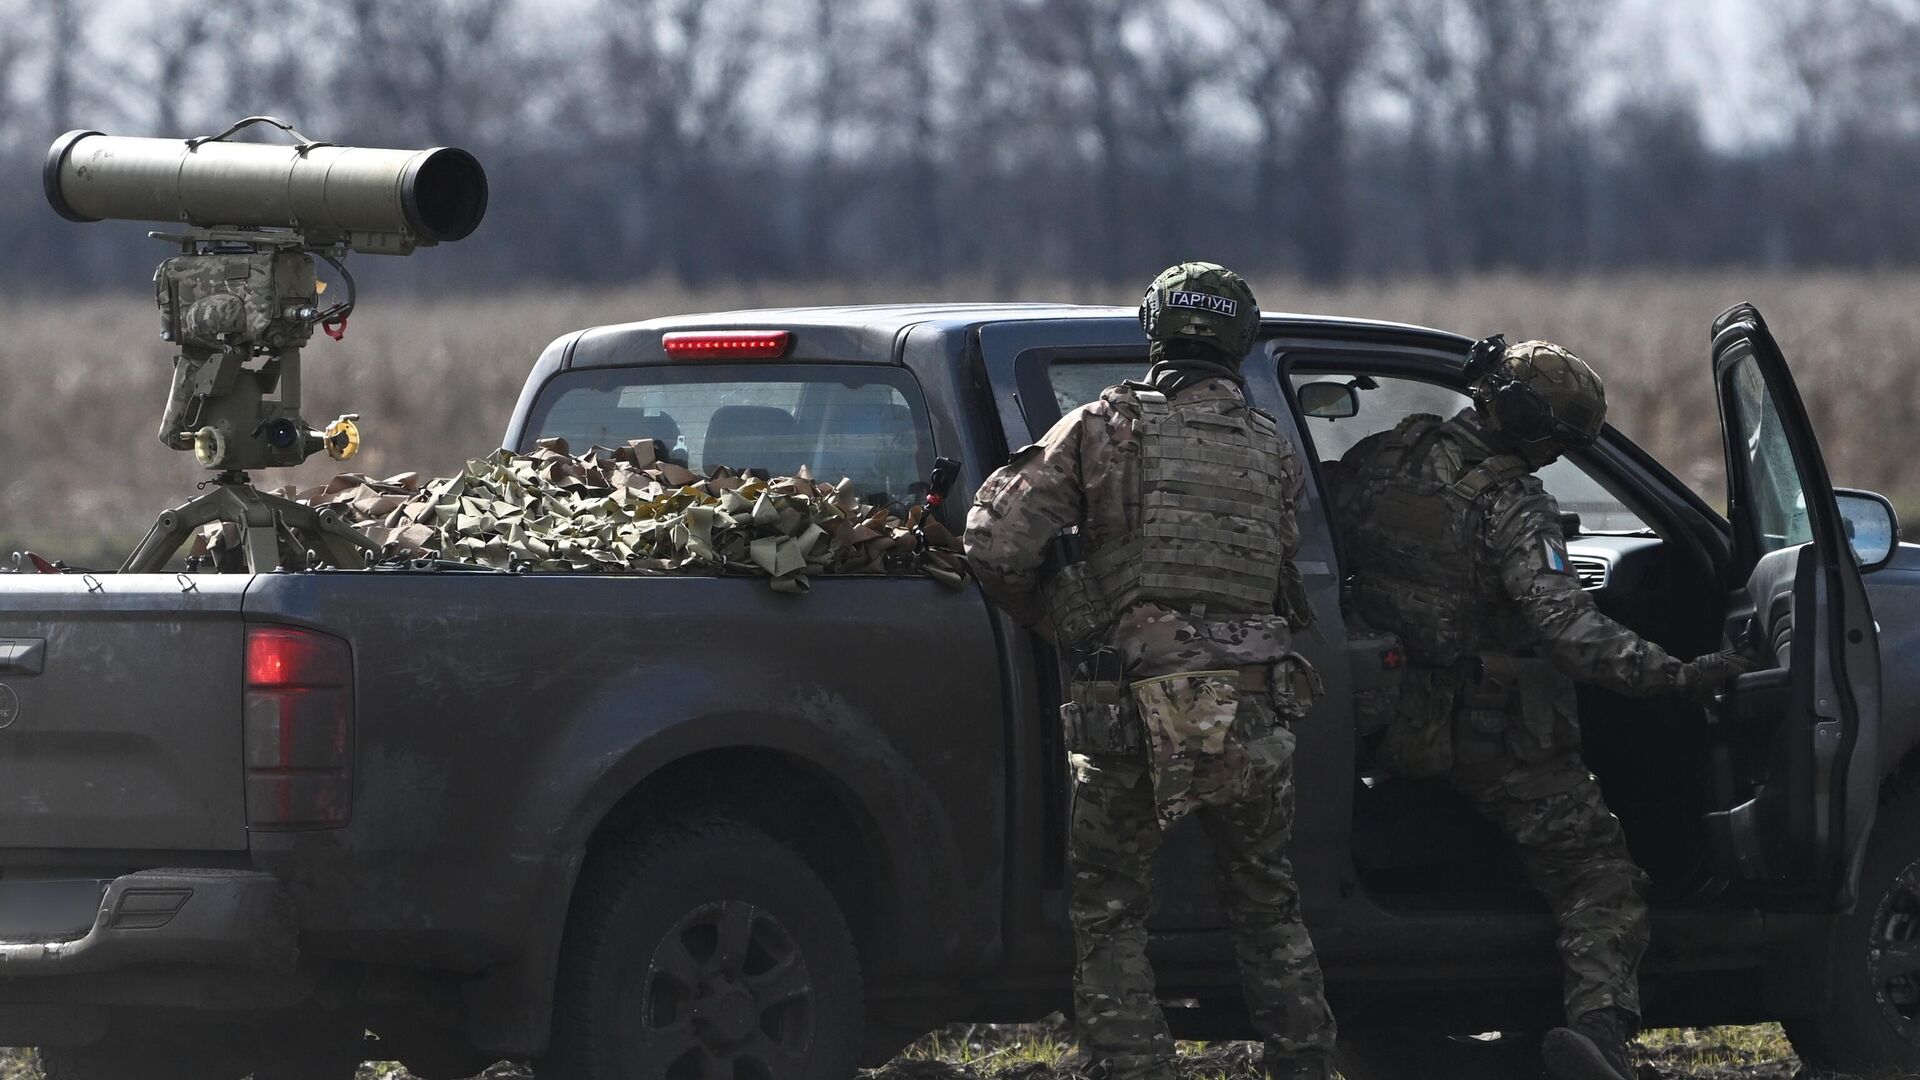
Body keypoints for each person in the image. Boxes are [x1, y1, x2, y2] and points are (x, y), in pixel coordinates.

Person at [1325, 335, 1753, 1080]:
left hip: (1390, 714)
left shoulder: (1387, 454)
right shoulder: (1513, 504)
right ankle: (1599, 1032)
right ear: (1539, 434)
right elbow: (1571, 632)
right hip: (1485, 732)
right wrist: (1678, 677)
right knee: (1598, 873)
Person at [965, 263, 1337, 1080]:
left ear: (1153, 332)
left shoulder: (1104, 427)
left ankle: (1134, 1067)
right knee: (1270, 908)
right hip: (1251, 712)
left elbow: (996, 545)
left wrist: (1059, 616)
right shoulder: (1273, 451)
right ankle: (1305, 1063)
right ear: (1239, 341)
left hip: (1133, 707)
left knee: (1110, 911)